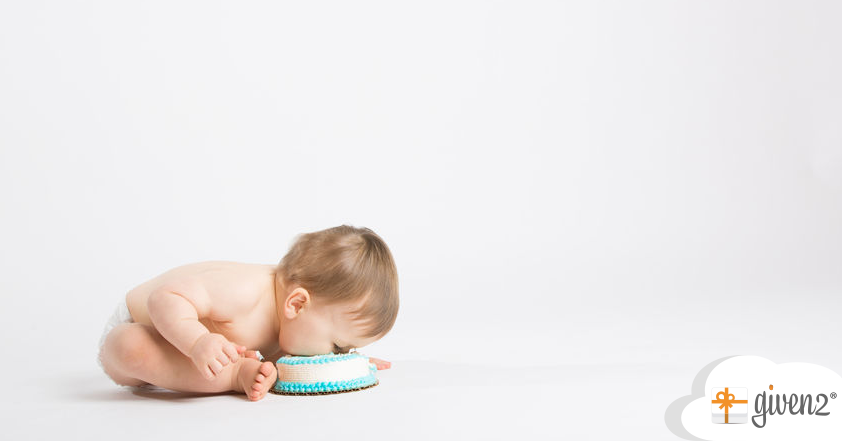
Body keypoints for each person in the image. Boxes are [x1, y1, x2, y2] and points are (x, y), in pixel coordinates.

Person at [97, 225, 398, 401]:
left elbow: (304, 347)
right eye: (338, 346)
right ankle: (233, 377)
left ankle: (224, 370)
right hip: (144, 323)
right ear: (296, 304)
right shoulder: (243, 292)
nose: (334, 354)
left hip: (193, 357)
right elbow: (165, 297)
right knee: (128, 346)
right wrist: (196, 341)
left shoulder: (295, 324)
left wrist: (347, 364)